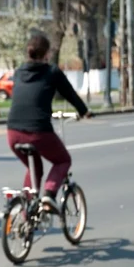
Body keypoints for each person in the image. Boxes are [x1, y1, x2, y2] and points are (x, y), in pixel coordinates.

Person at [6, 34, 92, 214]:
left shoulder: (19, 71)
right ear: (46, 53)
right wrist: (84, 111)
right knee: (63, 160)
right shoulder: (51, 72)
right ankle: (49, 196)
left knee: (34, 168)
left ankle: (25, 215)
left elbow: (28, 98)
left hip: (12, 132)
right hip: (37, 131)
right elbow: (70, 94)